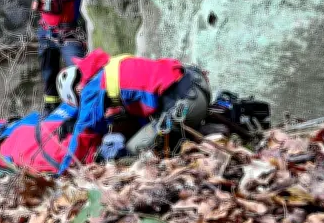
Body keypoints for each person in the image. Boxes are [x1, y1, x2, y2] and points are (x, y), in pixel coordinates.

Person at [54, 48, 212, 174]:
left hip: (185, 104)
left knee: (129, 154)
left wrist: (64, 171)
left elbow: (83, 133)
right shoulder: (112, 67)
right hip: (197, 87)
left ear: (77, 90)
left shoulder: (91, 88)